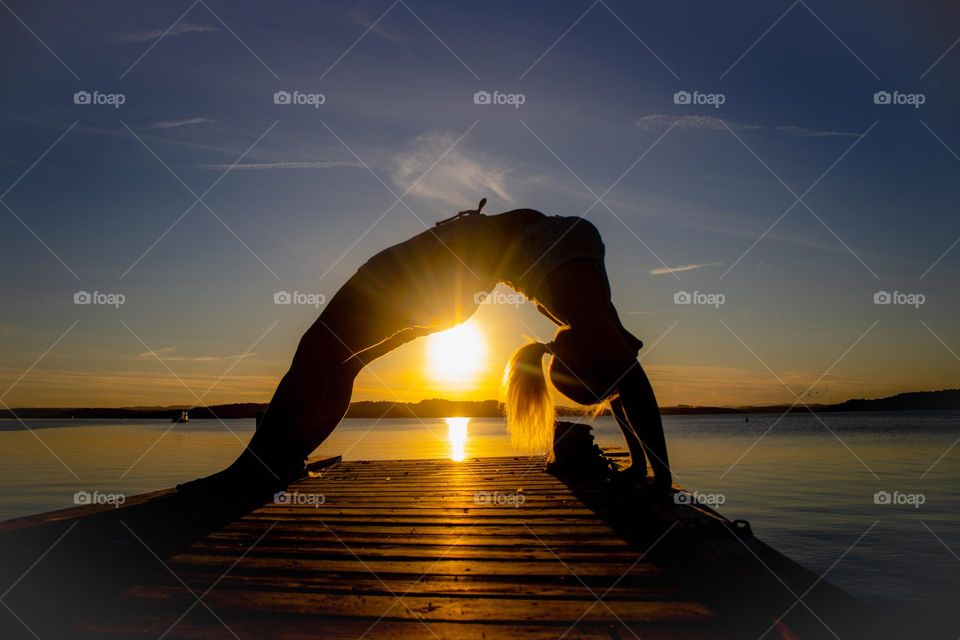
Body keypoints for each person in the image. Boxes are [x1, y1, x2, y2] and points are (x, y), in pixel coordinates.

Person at [178, 200, 671, 499]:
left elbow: (625, 377)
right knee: (340, 359)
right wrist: (649, 471)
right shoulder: (577, 292)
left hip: (436, 276)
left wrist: (652, 472)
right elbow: (627, 377)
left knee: (323, 352)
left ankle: (257, 470)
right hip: (447, 281)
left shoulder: (575, 291)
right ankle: (274, 463)